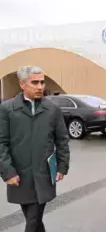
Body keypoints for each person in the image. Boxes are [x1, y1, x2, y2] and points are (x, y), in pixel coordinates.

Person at [0, 66, 70, 232]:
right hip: (20, 175)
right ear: (22, 84)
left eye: (42, 82)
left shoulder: (52, 110)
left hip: (44, 173)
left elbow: (62, 140)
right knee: (34, 219)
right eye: (35, 82)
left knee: (33, 219)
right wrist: (7, 172)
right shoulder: (7, 109)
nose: (40, 86)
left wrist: (62, 165)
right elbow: (2, 142)